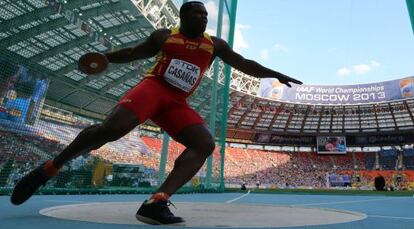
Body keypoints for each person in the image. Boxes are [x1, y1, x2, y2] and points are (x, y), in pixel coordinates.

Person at [10, 1, 302, 225]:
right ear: (182, 17)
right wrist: (105, 58)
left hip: (177, 102)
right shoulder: (164, 37)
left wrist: (275, 75)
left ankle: (156, 202)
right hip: (154, 89)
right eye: (196, 13)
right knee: (112, 130)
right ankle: (49, 168)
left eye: (205, 14)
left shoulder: (215, 45)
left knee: (205, 144)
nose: (202, 17)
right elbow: (134, 53)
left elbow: (244, 63)